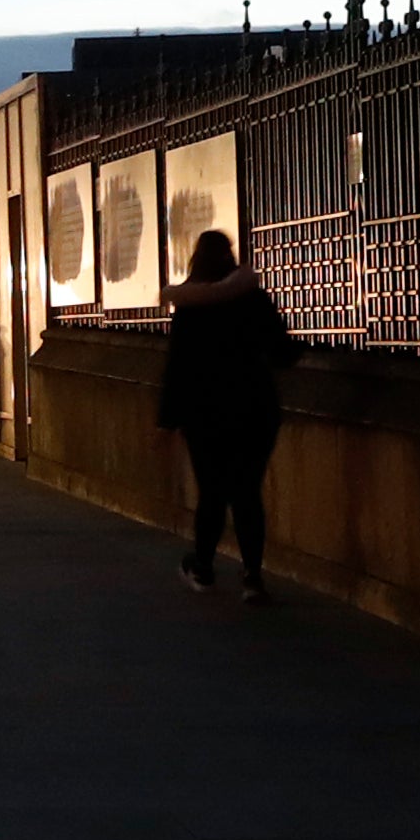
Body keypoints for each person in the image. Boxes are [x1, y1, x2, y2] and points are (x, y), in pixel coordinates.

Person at [159, 226, 299, 602]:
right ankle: (253, 576)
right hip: (255, 409)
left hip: (204, 414)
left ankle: (203, 566)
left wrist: (169, 417)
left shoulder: (190, 308)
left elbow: (178, 367)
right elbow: (283, 351)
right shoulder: (252, 298)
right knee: (247, 491)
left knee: (213, 491)